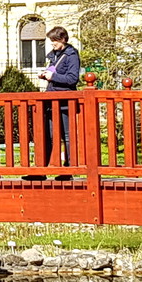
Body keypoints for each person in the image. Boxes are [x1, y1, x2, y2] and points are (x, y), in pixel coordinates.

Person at [41, 26, 80, 177]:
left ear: (63, 39)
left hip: (65, 101)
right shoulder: (54, 56)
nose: (53, 44)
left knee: (67, 136)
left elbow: (72, 79)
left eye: (55, 41)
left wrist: (53, 77)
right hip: (51, 100)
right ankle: (43, 170)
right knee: (48, 135)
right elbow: (53, 72)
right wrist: (45, 75)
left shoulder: (71, 55)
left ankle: (68, 170)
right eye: (51, 41)